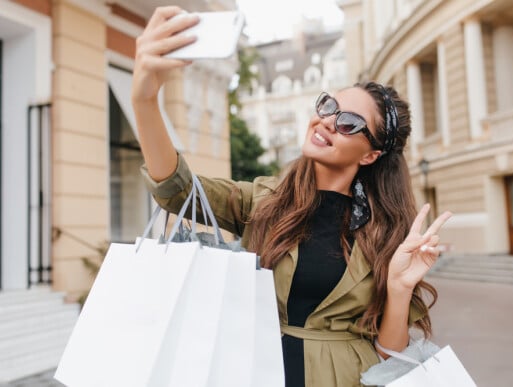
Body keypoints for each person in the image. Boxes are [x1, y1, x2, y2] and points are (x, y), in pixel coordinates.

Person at [132, 6, 452, 387]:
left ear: (370, 155)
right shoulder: (264, 201)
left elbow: (389, 357)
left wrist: (399, 289)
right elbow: (177, 190)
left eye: (349, 123)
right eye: (328, 106)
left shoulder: (385, 231)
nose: (328, 122)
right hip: (255, 370)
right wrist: (145, 100)